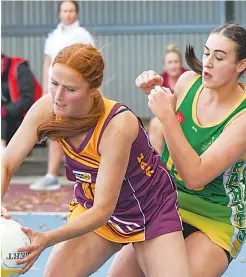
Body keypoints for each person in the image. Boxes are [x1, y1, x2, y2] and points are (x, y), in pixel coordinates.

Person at [1, 43, 191, 277]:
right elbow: (6, 163)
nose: (58, 97)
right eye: (54, 83)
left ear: (93, 89)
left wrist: (46, 239)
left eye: (70, 89)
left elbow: (104, 209)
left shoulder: (117, 124)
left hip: (149, 210)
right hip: (96, 210)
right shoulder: (46, 108)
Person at [108, 23, 246, 277]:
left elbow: (195, 177)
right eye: (206, 53)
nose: (208, 63)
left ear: (241, 65)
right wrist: (157, 94)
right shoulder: (186, 83)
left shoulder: (243, 118)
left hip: (215, 219)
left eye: (219, 57)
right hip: (166, 204)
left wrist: (166, 117)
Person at [30, 0, 95, 191]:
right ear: (59, 13)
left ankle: (85, 176)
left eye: (71, 10)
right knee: (55, 131)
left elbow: (91, 64)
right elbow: (47, 63)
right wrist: (45, 91)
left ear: (76, 13)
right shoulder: (53, 36)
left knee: (78, 132)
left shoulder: (83, 35)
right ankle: (51, 175)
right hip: (54, 93)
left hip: (74, 93)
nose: (68, 14)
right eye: (65, 10)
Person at [148, 44, 187, 153]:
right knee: (155, 123)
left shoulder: (188, 76)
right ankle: (157, 162)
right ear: (165, 66)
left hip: (187, 115)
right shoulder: (159, 81)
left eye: (176, 62)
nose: (173, 65)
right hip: (168, 114)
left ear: (181, 64)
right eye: (170, 62)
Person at [1, 53, 39, 151]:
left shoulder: (20, 68)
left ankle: (2, 148)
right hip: (9, 116)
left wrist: (5, 110)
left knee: (2, 115)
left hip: (26, 115)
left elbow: (27, 100)